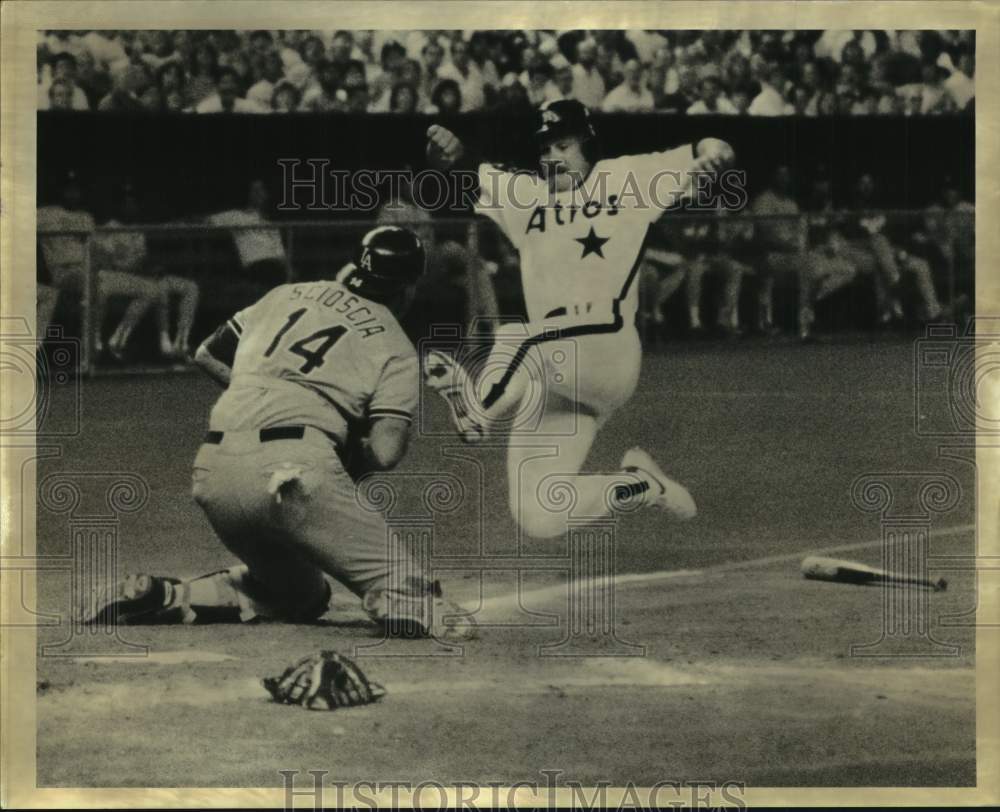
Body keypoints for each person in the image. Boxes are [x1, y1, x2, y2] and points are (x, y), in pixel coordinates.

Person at [79, 226, 472, 640]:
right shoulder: (395, 343)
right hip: (297, 474)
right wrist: (345, 440)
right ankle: (400, 593)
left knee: (299, 597)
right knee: (419, 593)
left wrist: (266, 396)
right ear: (408, 289)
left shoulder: (287, 294)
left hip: (215, 475)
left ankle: (165, 596)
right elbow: (386, 450)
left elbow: (207, 353)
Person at [421, 100, 734, 539]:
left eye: (564, 145)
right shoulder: (524, 194)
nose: (552, 157)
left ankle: (477, 410)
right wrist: (446, 157)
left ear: (589, 145)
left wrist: (715, 155)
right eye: (545, 148)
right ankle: (643, 485)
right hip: (559, 377)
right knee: (539, 515)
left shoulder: (626, 178)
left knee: (518, 333)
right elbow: (461, 170)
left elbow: (709, 148)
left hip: (605, 349)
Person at [37, 172, 158, 360]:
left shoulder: (86, 217)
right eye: (68, 189)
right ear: (60, 191)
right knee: (97, 287)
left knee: (150, 289)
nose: (73, 194)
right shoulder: (44, 213)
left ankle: (115, 342)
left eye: (76, 189)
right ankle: (91, 348)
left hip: (93, 271)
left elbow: (99, 249)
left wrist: (112, 256)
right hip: (66, 273)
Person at [95, 185, 200, 360]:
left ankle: (181, 343)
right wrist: (141, 269)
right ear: (118, 205)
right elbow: (110, 264)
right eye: (126, 203)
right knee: (156, 290)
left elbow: (143, 258)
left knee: (191, 287)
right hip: (121, 279)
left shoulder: (138, 228)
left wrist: (152, 268)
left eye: (133, 202)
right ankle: (130, 341)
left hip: (143, 277)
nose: (130, 207)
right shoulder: (108, 229)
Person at [206, 179, 290, 292]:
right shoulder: (235, 216)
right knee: (274, 277)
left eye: (261, 190)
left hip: (275, 267)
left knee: (285, 277)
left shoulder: (271, 225)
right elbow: (205, 221)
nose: (257, 193)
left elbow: (281, 255)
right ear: (249, 193)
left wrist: (289, 270)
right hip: (254, 265)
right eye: (254, 190)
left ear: (266, 195)